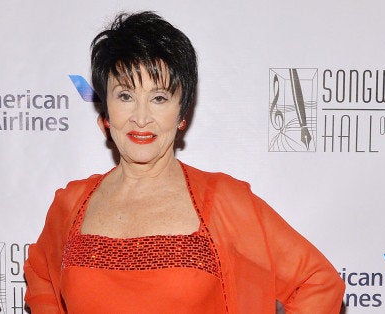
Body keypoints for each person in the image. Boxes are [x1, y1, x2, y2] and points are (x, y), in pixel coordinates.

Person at [24, 11, 345, 313]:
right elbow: (41, 278)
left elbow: (317, 282)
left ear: (182, 113)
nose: (141, 117)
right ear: (105, 111)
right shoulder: (71, 206)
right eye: (125, 96)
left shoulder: (224, 203)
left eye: (159, 98)